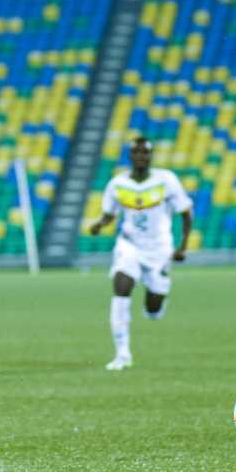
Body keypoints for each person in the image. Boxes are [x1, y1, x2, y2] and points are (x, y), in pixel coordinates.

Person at [89, 138, 193, 371]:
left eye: (145, 152)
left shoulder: (166, 181)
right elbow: (110, 213)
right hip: (130, 245)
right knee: (122, 285)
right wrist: (100, 224)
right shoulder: (117, 184)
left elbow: (186, 212)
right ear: (130, 156)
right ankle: (122, 354)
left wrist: (182, 246)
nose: (141, 156)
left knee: (153, 311)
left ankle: (156, 294)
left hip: (159, 249)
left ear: (151, 156)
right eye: (136, 152)